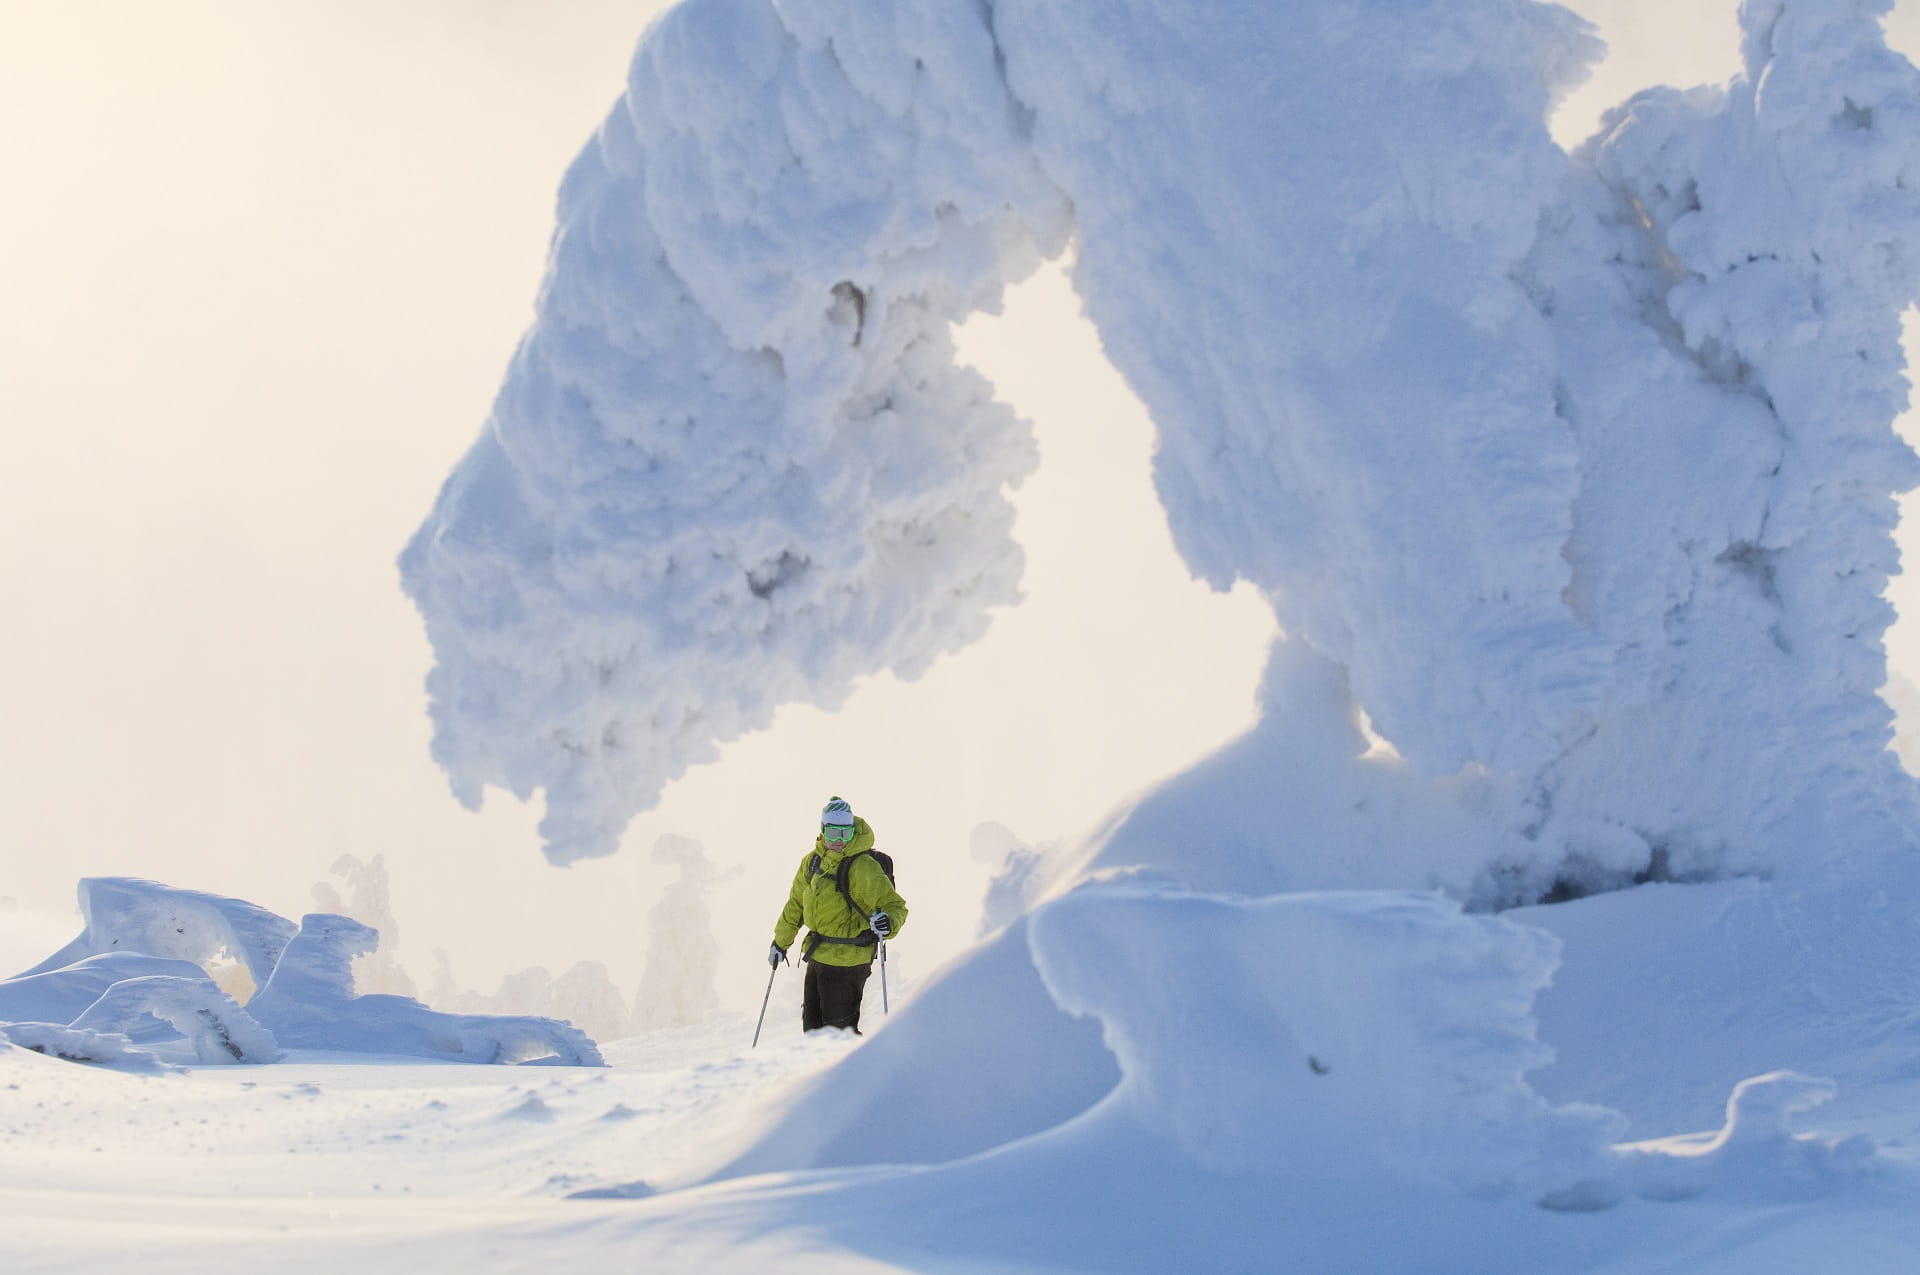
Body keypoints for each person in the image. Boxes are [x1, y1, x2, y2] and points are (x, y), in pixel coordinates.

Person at [769, 796, 908, 1033]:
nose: (839, 841)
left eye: (845, 833)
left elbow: (895, 906)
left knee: (838, 1035)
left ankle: (860, 1058)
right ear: (822, 830)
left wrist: (888, 923)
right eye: (833, 833)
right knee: (812, 1032)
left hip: (849, 962)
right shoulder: (813, 862)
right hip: (818, 957)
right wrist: (780, 943)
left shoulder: (862, 866)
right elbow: (796, 905)